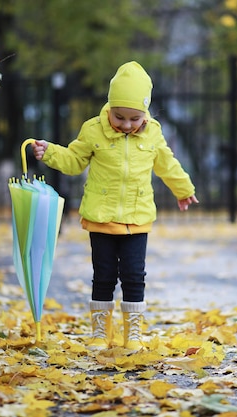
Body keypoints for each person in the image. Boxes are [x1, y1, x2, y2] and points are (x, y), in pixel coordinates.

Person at [32, 61, 199, 350]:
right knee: (104, 275)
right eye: (119, 116)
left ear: (145, 113)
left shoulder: (153, 134)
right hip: (101, 216)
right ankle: (100, 332)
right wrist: (50, 153)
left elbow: (167, 164)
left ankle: (132, 334)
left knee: (135, 275)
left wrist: (183, 190)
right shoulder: (93, 130)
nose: (126, 125)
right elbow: (74, 160)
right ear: (109, 108)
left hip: (137, 218)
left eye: (134, 118)